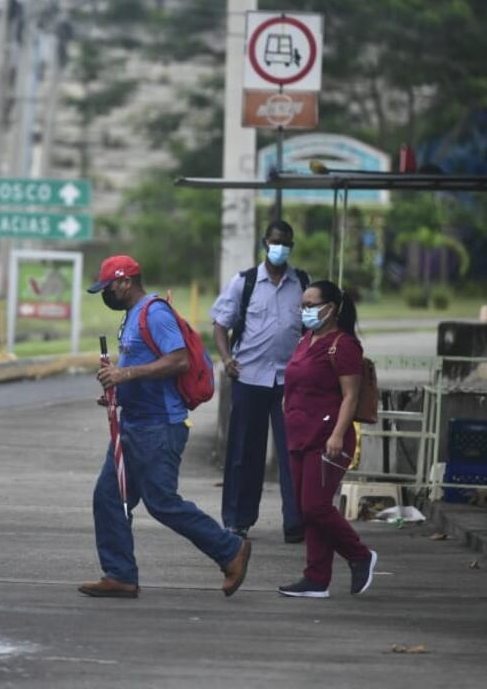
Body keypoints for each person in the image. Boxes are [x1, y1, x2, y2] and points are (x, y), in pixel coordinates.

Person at [79, 254, 252, 599]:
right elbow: (143, 365)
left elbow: (178, 360)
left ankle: (230, 549)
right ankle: (120, 574)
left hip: (158, 427)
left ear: (125, 282)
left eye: (107, 288)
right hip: (134, 423)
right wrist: (118, 392)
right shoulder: (132, 317)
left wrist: (124, 374)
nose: (105, 295)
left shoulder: (154, 312)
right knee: (109, 497)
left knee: (162, 501)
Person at [277, 279, 377, 599]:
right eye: (302, 305)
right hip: (298, 435)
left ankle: (359, 555)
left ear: (330, 308)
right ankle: (316, 578)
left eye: (310, 305)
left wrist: (337, 434)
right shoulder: (305, 340)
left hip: (327, 439)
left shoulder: (343, 345)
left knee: (316, 507)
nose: (304, 311)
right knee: (308, 510)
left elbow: (350, 396)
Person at [210, 220, 306, 543]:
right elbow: (220, 325)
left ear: (292, 246)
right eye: (275, 242)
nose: (280, 248)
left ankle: (295, 522)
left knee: (293, 453)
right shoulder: (245, 282)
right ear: (266, 243)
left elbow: (314, 330)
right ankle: (237, 520)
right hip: (249, 378)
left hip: (289, 381)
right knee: (244, 453)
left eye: (286, 243)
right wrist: (226, 360)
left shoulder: (302, 284)